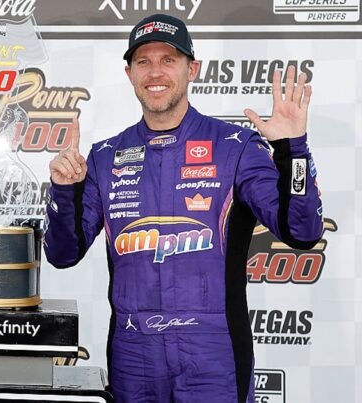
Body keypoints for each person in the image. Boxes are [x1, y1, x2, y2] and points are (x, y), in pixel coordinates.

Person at [44, 13, 323, 403]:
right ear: (129, 73)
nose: (155, 72)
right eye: (143, 61)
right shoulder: (106, 156)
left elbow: (302, 232)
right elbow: (63, 254)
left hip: (214, 351)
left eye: (168, 60)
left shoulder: (235, 146)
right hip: (133, 350)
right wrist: (62, 191)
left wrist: (292, 149)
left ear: (192, 69)